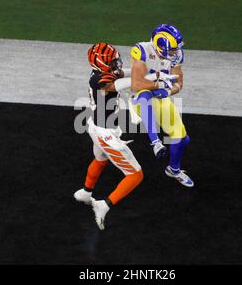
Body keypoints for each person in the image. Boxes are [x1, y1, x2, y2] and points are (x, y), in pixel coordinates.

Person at [74, 43, 144, 230]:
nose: (116, 63)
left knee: (100, 159)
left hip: (96, 128)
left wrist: (142, 71)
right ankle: (103, 205)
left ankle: (85, 192)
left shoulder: (101, 73)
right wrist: (154, 78)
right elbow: (120, 83)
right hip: (106, 134)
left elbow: (122, 75)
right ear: (102, 64)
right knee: (136, 175)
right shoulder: (100, 81)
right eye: (112, 61)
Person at [130, 24, 193, 187]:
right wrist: (160, 85)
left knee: (181, 139)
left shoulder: (177, 54)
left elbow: (179, 83)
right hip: (140, 96)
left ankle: (173, 170)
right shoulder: (142, 50)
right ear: (161, 45)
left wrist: (168, 92)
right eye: (172, 49)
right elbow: (137, 84)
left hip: (160, 97)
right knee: (144, 95)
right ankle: (155, 143)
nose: (175, 52)